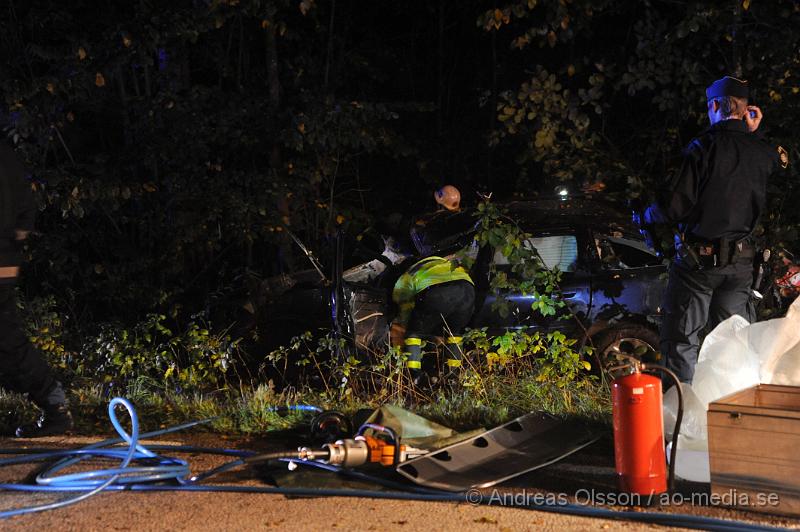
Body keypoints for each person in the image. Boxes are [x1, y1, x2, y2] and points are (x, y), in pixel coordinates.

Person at [646, 76, 784, 384]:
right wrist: (753, 134)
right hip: (741, 265)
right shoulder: (761, 151)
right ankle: (734, 414)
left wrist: (647, 213)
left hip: (698, 264)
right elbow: (779, 162)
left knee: (682, 341)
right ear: (747, 110)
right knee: (737, 342)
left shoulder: (702, 148)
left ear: (715, 105)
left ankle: (680, 420)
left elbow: (675, 207)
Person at [0, 142, 73, 437]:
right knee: (6, 335)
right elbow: (26, 211)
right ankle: (54, 406)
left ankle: (55, 406)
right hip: (5, 256)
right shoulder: (6, 153)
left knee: (6, 336)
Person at [390, 255, 475, 385]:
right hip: (468, 290)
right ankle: (453, 376)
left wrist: (405, 324)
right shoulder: (441, 263)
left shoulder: (408, 274)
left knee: (413, 334)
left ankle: (415, 375)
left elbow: (402, 304)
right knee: (454, 333)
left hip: (439, 291)